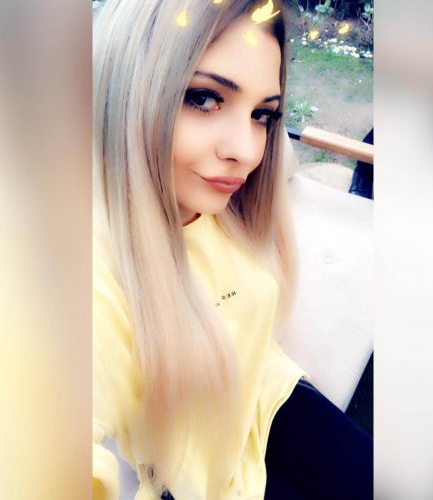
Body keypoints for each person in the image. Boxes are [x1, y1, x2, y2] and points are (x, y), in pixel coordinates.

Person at [93, 1, 372, 499]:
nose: (246, 151)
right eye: (203, 98)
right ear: (126, 91)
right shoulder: (91, 267)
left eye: (263, 114)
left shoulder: (224, 205)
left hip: (272, 391)